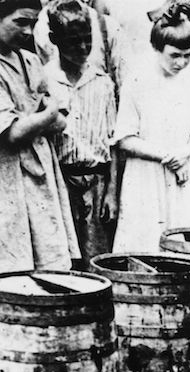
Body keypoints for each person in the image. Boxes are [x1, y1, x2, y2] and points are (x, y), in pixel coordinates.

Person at [112, 12, 190, 252]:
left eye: (187, 56)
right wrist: (167, 155)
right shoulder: (137, 81)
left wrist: (184, 154)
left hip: (181, 174)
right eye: (174, 55)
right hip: (146, 175)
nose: (181, 63)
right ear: (157, 48)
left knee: (185, 245)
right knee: (145, 244)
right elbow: (125, 138)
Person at [0, 0, 80, 273]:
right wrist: (48, 112)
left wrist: (43, 117)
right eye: (20, 21)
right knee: (11, 256)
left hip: (40, 170)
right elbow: (13, 132)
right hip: (6, 173)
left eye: (33, 24)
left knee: (46, 256)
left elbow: (60, 123)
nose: (27, 30)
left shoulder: (31, 61)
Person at [44, 0, 117, 267]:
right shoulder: (45, 80)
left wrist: (111, 192)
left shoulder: (102, 82)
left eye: (88, 40)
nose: (83, 48)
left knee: (96, 259)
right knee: (62, 259)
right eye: (74, 42)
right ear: (55, 39)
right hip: (60, 181)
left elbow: (113, 142)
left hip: (96, 183)